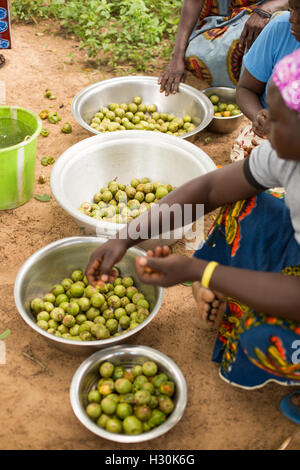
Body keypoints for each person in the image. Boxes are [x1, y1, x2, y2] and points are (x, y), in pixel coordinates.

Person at [86, 48, 300, 391]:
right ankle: (230, 290)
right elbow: (211, 188)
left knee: (263, 335)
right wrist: (124, 239)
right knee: (247, 205)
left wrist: (200, 270)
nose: (262, 122)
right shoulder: (285, 154)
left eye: (276, 118)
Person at [158, 0, 288, 95]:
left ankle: (258, 88)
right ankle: (247, 89)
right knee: (198, 55)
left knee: (277, 27)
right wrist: (177, 56)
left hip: (272, 8)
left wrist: (266, 9)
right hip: (219, 18)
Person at [236, 0, 300, 139]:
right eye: (292, 9)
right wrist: (260, 117)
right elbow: (246, 89)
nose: (293, 18)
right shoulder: (281, 27)